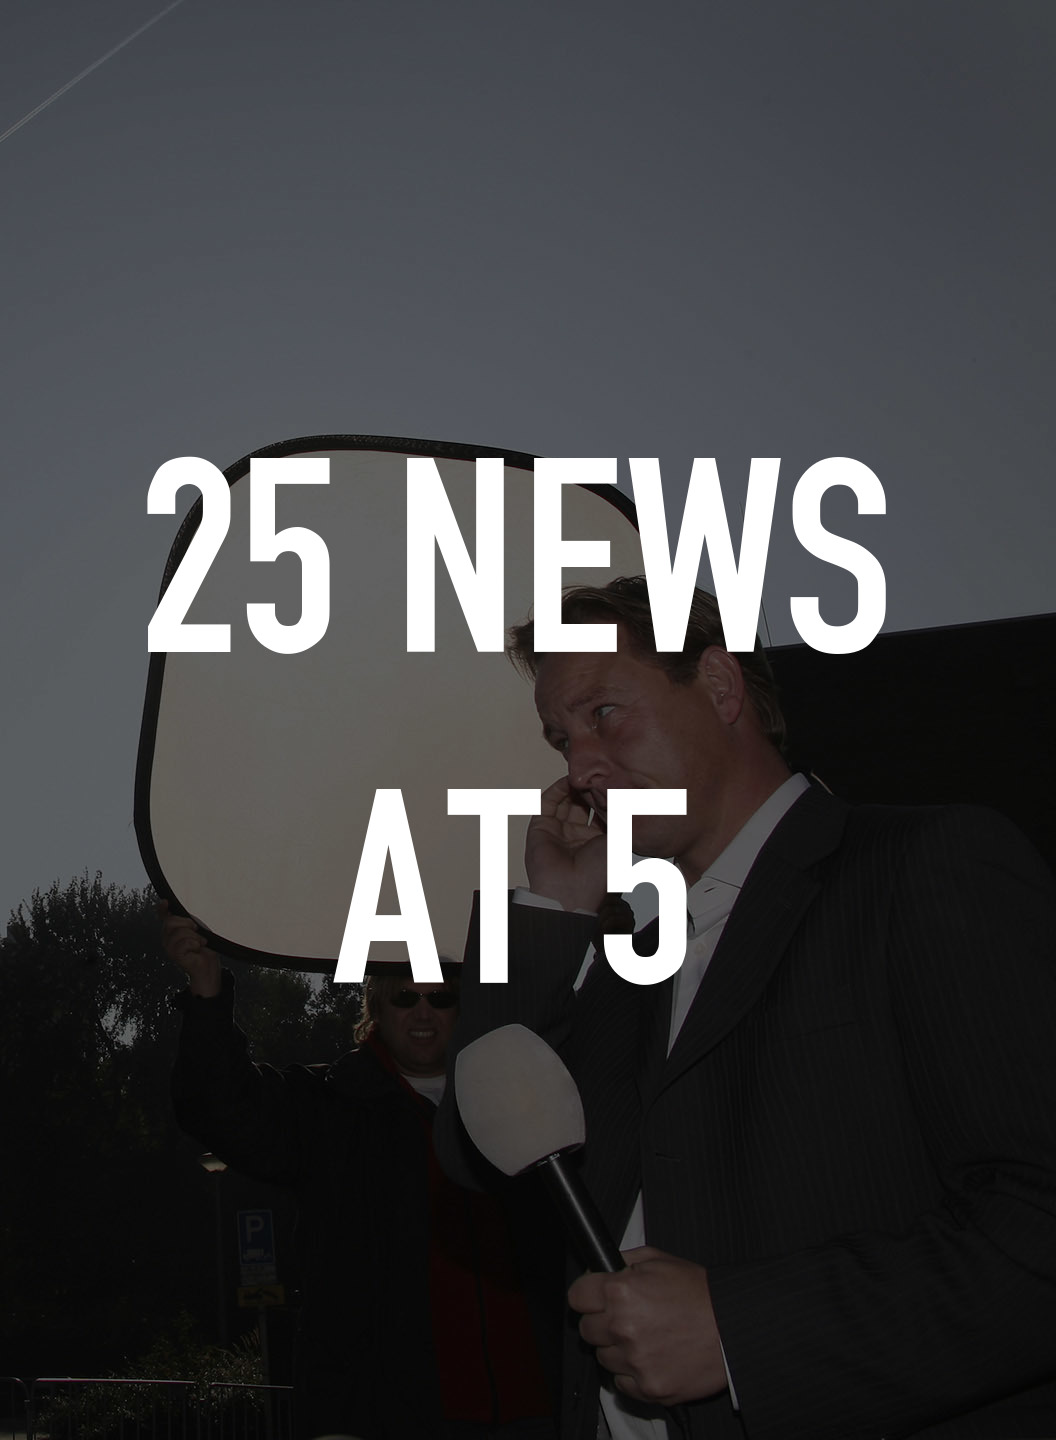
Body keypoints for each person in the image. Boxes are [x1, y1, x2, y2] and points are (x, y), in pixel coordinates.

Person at [435, 576, 1056, 1440]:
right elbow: (476, 1156)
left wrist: (739, 1333)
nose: (579, 768)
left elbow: (1036, 1224)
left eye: (604, 713)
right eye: (562, 739)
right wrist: (552, 911)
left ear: (721, 686)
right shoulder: (628, 964)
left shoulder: (924, 866)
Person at [166, 909, 559, 1440]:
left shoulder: (521, 1103)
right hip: (382, 1415)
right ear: (376, 1006)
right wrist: (207, 990)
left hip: (532, 1409)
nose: (423, 1012)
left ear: (464, 1006)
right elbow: (219, 1108)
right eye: (405, 997)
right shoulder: (331, 1108)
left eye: (441, 998)